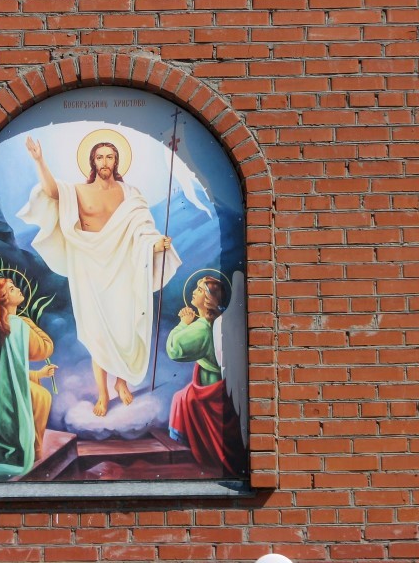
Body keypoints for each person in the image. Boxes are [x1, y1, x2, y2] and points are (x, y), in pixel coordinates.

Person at [18, 135, 181, 416]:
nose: (105, 162)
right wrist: (39, 160)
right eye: (99, 157)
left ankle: (121, 382)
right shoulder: (78, 191)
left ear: (117, 161)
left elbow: (143, 229)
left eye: (110, 157)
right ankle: (103, 394)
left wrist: (154, 244)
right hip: (90, 268)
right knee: (98, 334)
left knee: (126, 327)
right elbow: (53, 192)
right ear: (92, 162)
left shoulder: (130, 194)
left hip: (124, 266)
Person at [0, 277, 57, 482]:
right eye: (12, 289)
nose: (18, 290)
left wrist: (37, 375)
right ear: (4, 299)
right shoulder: (18, 325)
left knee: (37, 393)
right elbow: (45, 348)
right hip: (6, 396)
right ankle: (35, 448)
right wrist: (29, 322)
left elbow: (9, 372)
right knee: (42, 396)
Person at [166, 276, 247, 477]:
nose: (194, 292)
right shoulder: (214, 323)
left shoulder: (202, 327)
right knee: (181, 396)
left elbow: (174, 350)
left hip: (210, 391)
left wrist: (183, 324)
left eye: (200, 290)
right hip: (213, 384)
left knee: (181, 399)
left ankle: (192, 448)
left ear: (210, 299)